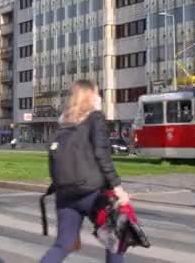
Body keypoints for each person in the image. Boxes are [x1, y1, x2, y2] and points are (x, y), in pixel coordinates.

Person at [40, 80, 130, 263]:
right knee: (115, 241)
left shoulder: (64, 122)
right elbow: (102, 154)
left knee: (62, 245)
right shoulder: (94, 118)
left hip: (65, 194)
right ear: (91, 96)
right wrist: (118, 188)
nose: (100, 97)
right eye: (97, 94)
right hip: (92, 193)